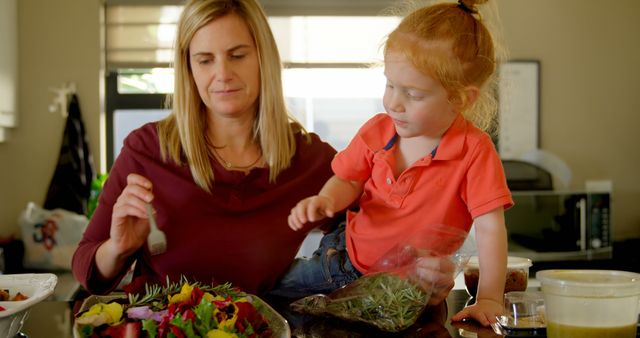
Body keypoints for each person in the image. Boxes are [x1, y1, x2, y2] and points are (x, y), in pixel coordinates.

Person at [72, 0, 456, 303]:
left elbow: (380, 234)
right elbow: (87, 271)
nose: (222, 73)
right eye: (204, 60)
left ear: (263, 59)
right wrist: (118, 248)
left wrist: (421, 271)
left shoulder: (310, 160)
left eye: (237, 55)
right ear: (188, 69)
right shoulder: (146, 150)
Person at [283, 0, 513, 326]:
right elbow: (348, 180)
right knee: (274, 295)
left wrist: (489, 297)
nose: (393, 102)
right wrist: (326, 200)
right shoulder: (378, 130)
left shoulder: (474, 151)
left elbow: (491, 228)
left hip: (409, 292)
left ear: (461, 99)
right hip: (343, 263)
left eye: (413, 94)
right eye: (390, 84)